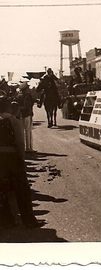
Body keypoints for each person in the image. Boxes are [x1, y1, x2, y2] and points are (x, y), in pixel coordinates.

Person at [0, 93, 40, 228]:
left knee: (3, 190)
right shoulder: (13, 121)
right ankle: (28, 220)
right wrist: (22, 160)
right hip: (12, 158)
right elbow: (20, 143)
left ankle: (7, 220)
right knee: (22, 190)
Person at [17, 81, 35, 153]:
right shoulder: (27, 95)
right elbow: (28, 105)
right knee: (28, 131)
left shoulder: (18, 95)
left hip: (21, 115)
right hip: (27, 114)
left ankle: (24, 147)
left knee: (22, 132)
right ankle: (28, 148)